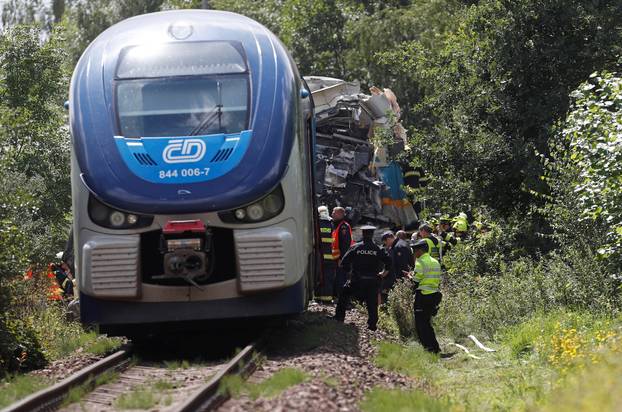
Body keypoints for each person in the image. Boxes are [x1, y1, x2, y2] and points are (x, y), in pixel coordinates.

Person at [334, 226, 391, 331]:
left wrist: (349, 273)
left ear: (363, 234)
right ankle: (372, 325)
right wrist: (383, 273)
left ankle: (339, 317)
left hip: (357, 280)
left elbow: (344, 263)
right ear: (372, 235)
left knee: (344, 294)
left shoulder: (356, 247)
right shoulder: (378, 249)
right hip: (372, 281)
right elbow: (389, 262)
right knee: (372, 303)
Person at [408, 239, 443, 353]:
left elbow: (416, 281)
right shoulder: (435, 261)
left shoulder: (420, 262)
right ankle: (435, 347)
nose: (414, 253)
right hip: (433, 296)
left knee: (421, 324)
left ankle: (428, 349)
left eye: (415, 250)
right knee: (427, 323)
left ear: (420, 251)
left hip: (423, 296)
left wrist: (410, 277)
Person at [380, 230, 413, 302]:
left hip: (402, 278)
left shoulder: (399, 247)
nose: (386, 245)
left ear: (388, 239)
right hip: (401, 277)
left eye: (385, 243)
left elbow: (403, 265)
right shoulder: (399, 244)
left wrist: (400, 280)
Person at [331, 206, 353, 300]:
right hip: (337, 258)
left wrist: (342, 259)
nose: (332, 214)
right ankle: (339, 297)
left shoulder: (344, 226)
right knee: (339, 278)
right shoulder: (337, 225)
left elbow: (345, 244)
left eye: (333, 212)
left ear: (339, 214)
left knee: (342, 279)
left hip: (341, 259)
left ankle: (342, 299)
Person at [315, 206, 336, 303]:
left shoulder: (316, 222)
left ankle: (318, 297)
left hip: (319, 256)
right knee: (328, 277)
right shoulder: (331, 223)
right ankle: (327, 298)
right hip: (329, 255)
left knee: (319, 276)